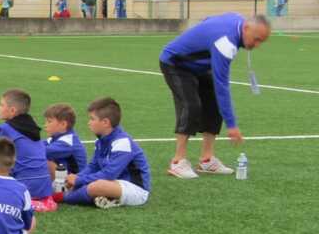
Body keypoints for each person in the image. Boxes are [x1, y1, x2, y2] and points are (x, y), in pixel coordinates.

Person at [159, 13, 271, 179]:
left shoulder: (238, 20)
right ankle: (178, 161)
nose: (257, 45)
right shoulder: (226, 43)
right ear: (246, 28)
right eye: (256, 39)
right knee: (191, 105)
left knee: (214, 103)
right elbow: (222, 86)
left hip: (200, 65)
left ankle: (207, 159)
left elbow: (209, 19)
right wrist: (231, 125)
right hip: (175, 63)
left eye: (261, 41)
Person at [60, 97, 151, 210]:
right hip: (113, 183)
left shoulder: (122, 142)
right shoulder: (101, 140)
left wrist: (78, 181)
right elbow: (93, 166)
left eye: (92, 119)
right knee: (87, 184)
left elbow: (109, 174)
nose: (89, 123)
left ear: (105, 122)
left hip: (135, 189)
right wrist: (78, 177)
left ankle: (62, 198)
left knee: (96, 186)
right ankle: (105, 198)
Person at [0, 89, 55, 211]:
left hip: (24, 185)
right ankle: (42, 201)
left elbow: (3, 161)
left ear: (12, 110)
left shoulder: (5, 128)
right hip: (44, 187)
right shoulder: (32, 125)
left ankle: (28, 202)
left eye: (1, 105)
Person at [43, 103, 87, 180]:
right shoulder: (54, 138)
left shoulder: (68, 142)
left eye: (49, 122)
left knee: (45, 161)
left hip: (75, 182)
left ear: (63, 124)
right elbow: (38, 145)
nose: (45, 125)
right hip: (65, 179)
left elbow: (42, 152)